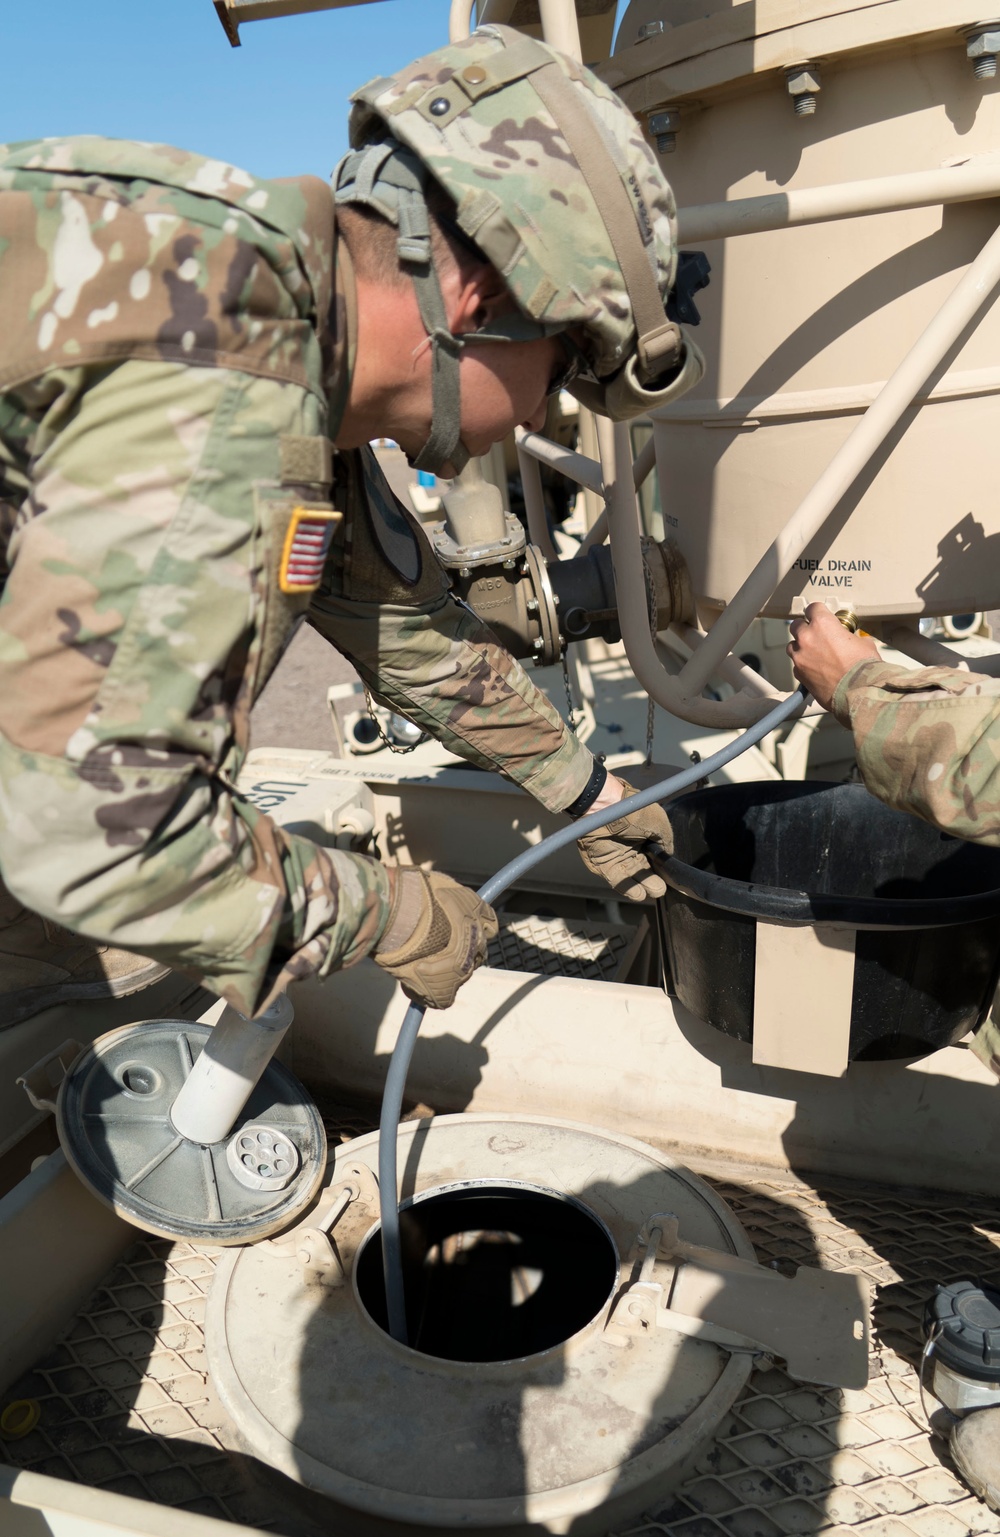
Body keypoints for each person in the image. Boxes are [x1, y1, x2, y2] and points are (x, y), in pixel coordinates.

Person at [0, 25, 701, 1027]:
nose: (545, 417)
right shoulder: (227, 371)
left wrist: (588, 793)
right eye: (559, 370)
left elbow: (403, 632)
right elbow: (97, 831)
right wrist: (382, 912)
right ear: (481, 298)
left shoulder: (287, 326)